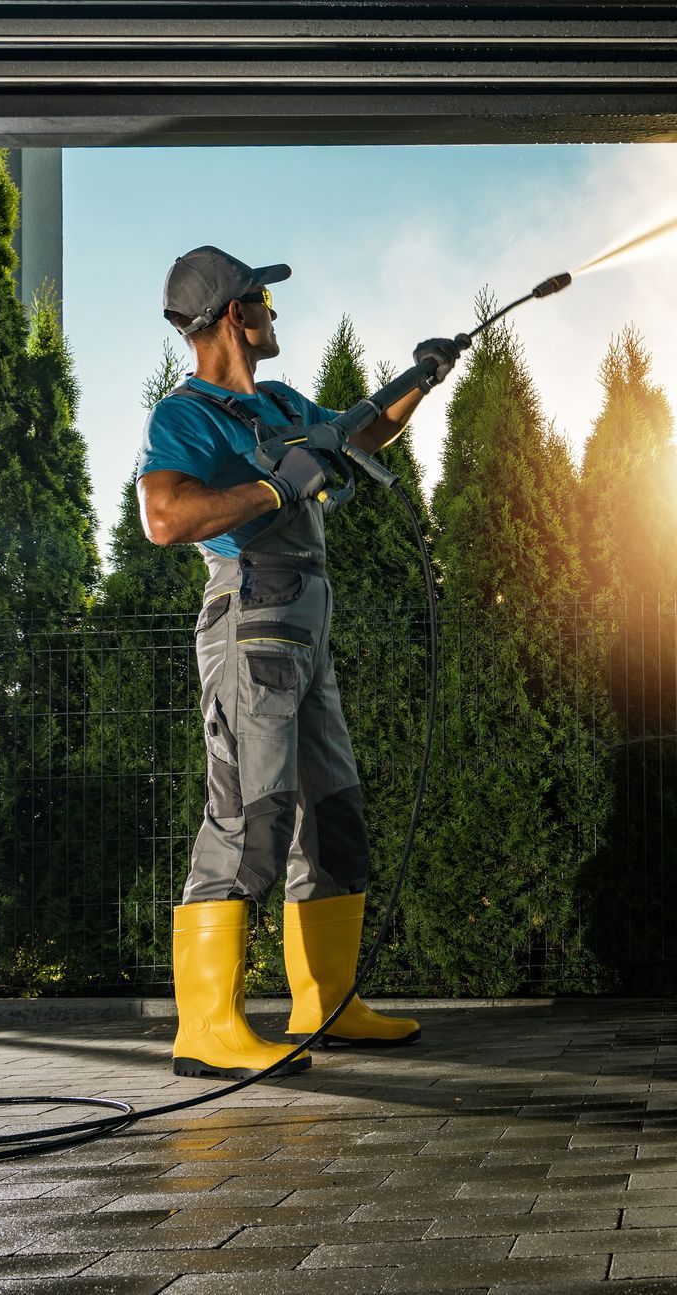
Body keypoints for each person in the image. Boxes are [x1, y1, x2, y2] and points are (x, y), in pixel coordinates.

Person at [137, 246, 460, 1079]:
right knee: (254, 812)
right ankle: (207, 1027)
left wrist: (422, 376)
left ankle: (329, 1004)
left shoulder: (278, 401)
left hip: (304, 632)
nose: (274, 314)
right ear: (232, 316)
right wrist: (276, 489)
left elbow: (356, 433)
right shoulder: (186, 415)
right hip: (249, 623)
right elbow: (166, 516)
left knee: (332, 816)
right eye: (262, 301)